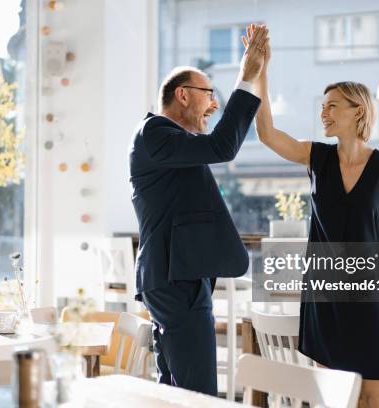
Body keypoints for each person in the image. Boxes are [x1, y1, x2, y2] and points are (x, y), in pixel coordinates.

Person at [244, 24, 379, 408]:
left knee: (375, 398)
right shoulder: (317, 158)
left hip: (373, 298)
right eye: (322, 106)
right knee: (333, 398)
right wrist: (261, 71)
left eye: (332, 105)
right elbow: (268, 134)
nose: (323, 112)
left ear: (359, 110)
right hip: (325, 297)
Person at [128, 25, 269, 396]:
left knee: (174, 391)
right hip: (175, 280)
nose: (214, 104)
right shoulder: (155, 133)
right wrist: (246, 75)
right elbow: (223, 147)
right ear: (183, 96)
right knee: (199, 395)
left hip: (175, 276)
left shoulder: (172, 146)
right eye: (208, 94)